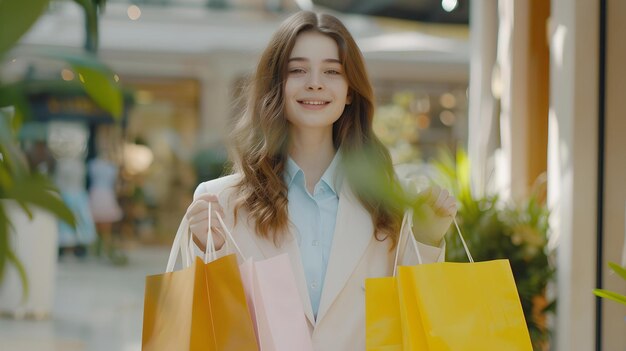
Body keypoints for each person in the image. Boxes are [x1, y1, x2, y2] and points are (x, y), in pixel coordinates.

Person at [184, 11, 457, 350]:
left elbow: (411, 318)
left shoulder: (389, 200)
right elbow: (206, 324)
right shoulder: (218, 201)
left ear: (349, 92)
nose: (315, 82)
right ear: (276, 87)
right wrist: (202, 248)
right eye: (297, 70)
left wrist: (426, 237)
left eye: (332, 71)